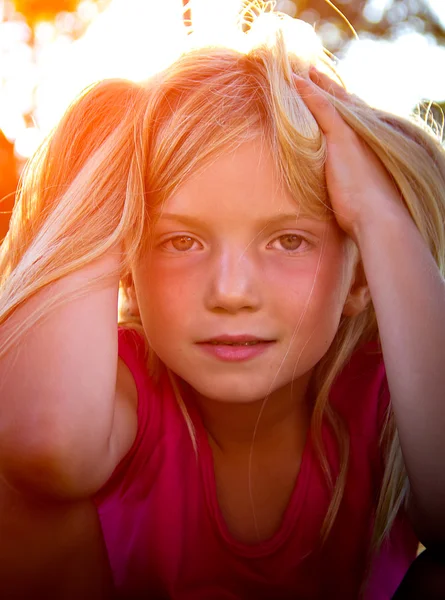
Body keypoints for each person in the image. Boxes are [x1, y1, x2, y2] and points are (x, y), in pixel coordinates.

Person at [0, 5, 444, 599]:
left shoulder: (388, 394)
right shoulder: (118, 393)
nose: (231, 292)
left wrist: (381, 215)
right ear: (128, 267)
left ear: (361, 276)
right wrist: (108, 163)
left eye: (289, 240)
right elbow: (46, 445)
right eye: (180, 241)